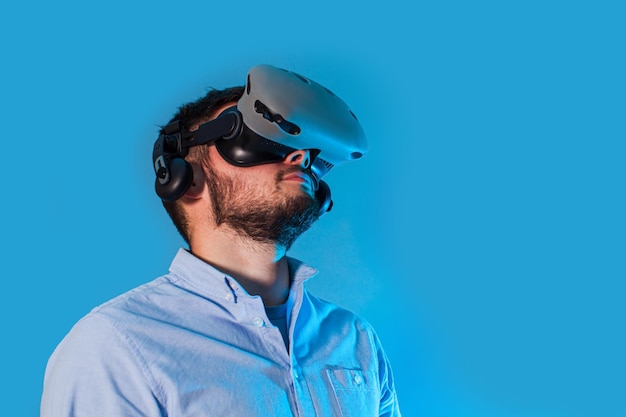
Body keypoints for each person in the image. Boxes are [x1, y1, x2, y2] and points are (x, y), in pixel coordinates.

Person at [41, 65, 401, 416]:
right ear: (182, 178)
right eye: (254, 137)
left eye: (305, 152)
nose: (299, 156)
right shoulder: (115, 348)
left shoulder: (354, 339)